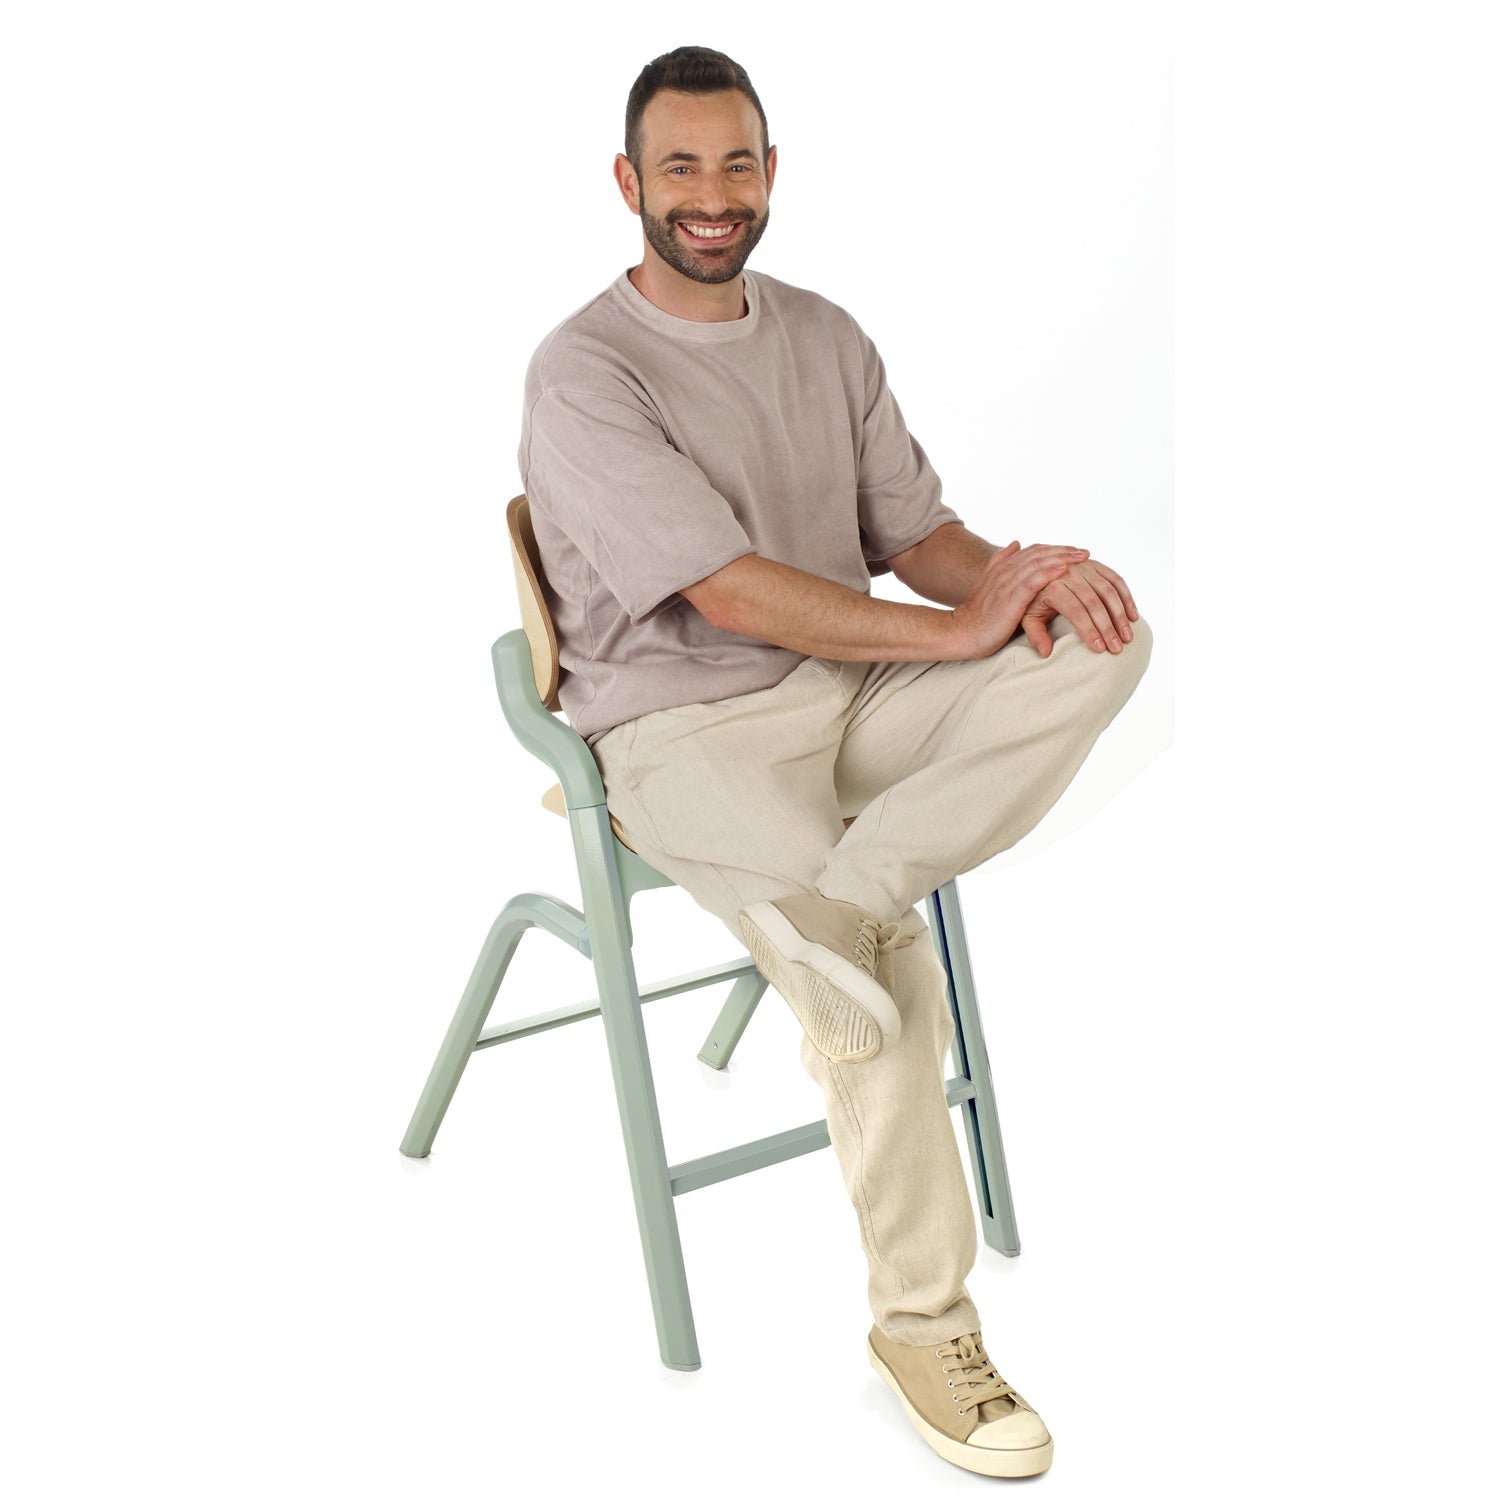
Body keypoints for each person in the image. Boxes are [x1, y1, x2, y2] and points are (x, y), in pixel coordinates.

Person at [518, 44, 1152, 1479]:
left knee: (1105, 643)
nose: (711, 194)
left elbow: (915, 539)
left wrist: (1021, 582)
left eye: (736, 162)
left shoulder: (824, 333)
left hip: (849, 691)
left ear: (770, 174)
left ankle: (840, 902)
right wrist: (954, 633)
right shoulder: (583, 371)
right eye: (679, 166)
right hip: (678, 727)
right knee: (880, 988)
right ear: (629, 184)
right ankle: (925, 1329)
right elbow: (729, 593)